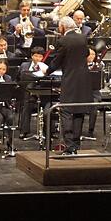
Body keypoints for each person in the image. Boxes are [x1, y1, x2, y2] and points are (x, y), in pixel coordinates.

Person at [46, 16, 91, 154]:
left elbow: (56, 61)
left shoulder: (63, 41)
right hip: (84, 80)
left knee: (65, 111)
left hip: (70, 80)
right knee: (79, 111)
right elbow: (87, 53)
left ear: (63, 27)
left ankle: (70, 145)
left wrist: (46, 70)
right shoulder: (83, 38)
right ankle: (76, 145)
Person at [19, 47, 50, 138]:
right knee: (27, 104)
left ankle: (47, 132)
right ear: (32, 56)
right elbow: (19, 78)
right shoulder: (25, 65)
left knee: (48, 106)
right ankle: (24, 130)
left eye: (40, 56)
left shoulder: (45, 67)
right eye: (35, 56)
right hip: (28, 91)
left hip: (41, 91)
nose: (37, 59)